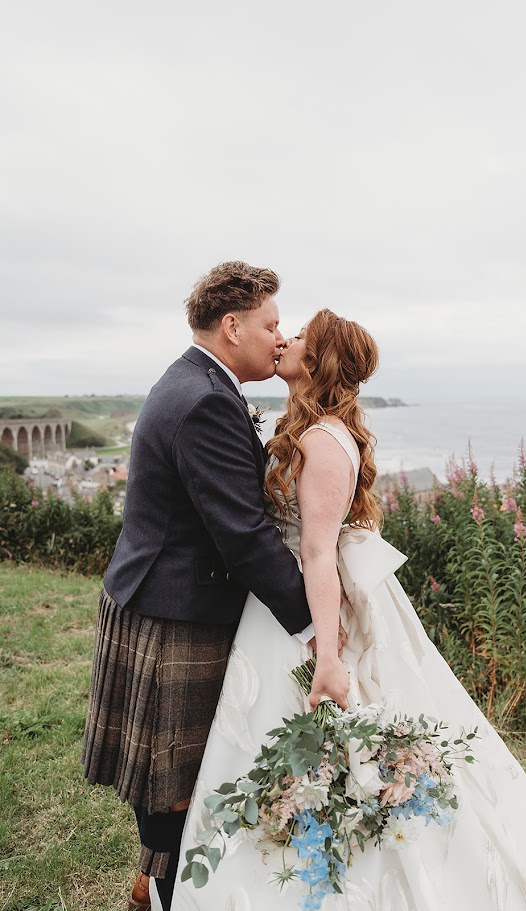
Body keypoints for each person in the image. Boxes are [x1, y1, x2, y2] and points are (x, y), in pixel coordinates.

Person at [171, 309, 526, 910]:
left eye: (298, 336)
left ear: (317, 360)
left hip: (307, 610)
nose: (285, 339)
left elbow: (319, 553)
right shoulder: (308, 430)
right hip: (275, 606)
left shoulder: (324, 441)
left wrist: (327, 653)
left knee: (328, 745)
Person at [81, 263, 347, 911]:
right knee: (174, 784)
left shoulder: (196, 381)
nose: (278, 336)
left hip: (161, 595)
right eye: (270, 324)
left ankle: (155, 885)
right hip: (175, 612)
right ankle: (170, 892)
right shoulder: (204, 399)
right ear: (233, 326)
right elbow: (245, 536)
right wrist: (317, 631)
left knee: (179, 779)